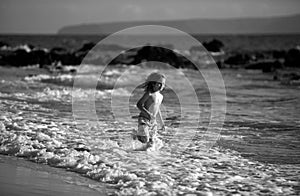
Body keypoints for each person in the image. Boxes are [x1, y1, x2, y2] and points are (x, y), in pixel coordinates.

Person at [134, 72, 166, 147]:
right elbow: (139, 104)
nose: (161, 85)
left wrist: (162, 123)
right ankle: (135, 135)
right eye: (159, 83)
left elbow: (157, 110)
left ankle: (147, 156)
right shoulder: (149, 94)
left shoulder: (161, 96)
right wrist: (148, 114)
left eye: (163, 83)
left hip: (153, 121)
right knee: (144, 140)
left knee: (151, 143)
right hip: (144, 118)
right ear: (153, 84)